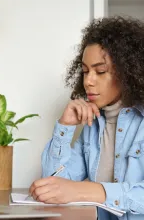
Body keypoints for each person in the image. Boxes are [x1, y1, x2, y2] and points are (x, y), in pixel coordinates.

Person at [29, 16, 144, 220]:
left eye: (100, 71)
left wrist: (87, 190)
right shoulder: (93, 124)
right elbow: (54, 187)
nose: (88, 81)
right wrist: (65, 127)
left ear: (128, 72)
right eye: (84, 71)